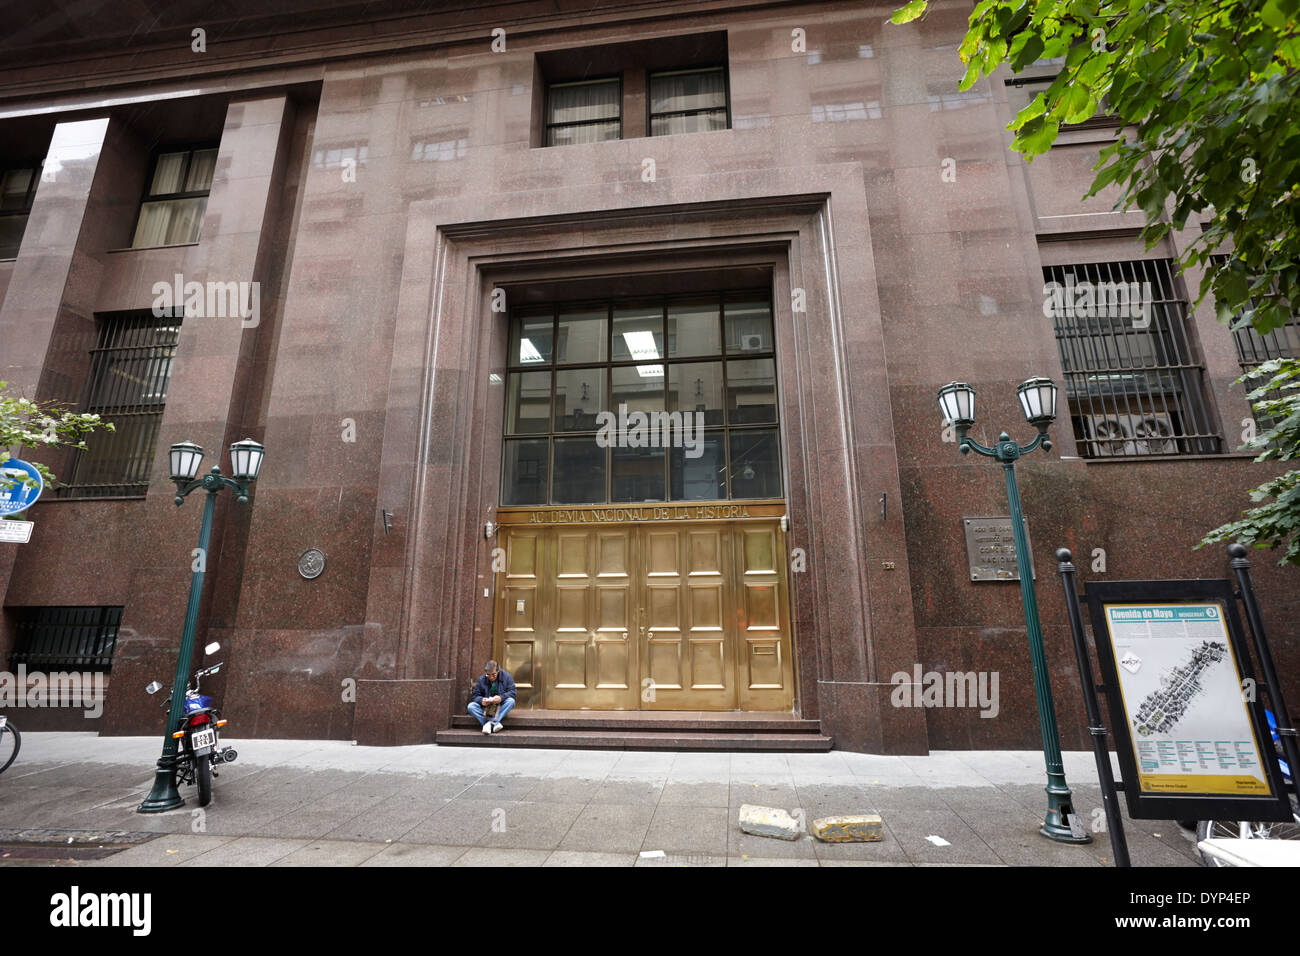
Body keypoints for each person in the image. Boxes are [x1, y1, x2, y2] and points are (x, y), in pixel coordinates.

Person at [468, 660, 516, 735]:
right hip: (486, 707)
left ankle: (489, 724)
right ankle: (494, 724)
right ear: (485, 673)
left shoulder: (507, 676)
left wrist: (501, 697)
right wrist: (481, 700)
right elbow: (475, 696)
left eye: (494, 674)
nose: (491, 677)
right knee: (471, 706)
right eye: (488, 675)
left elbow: (513, 692)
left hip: (500, 706)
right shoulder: (481, 679)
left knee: (511, 701)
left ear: (498, 671)